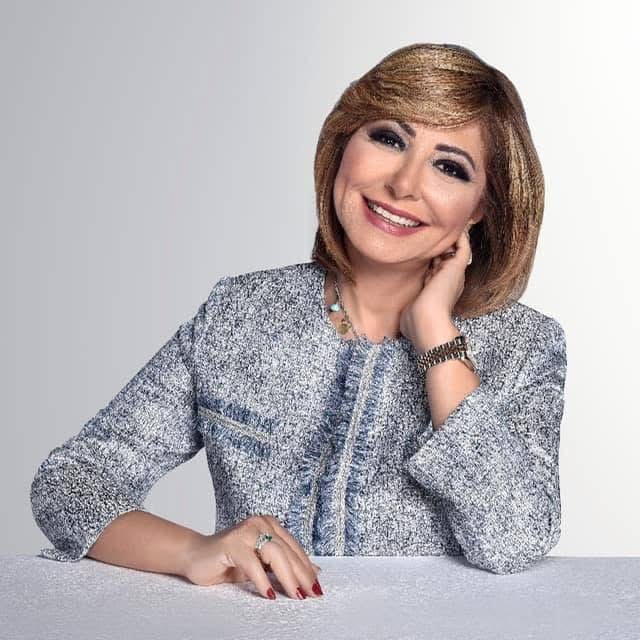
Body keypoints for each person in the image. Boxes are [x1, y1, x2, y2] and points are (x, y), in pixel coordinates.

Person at [30, 42, 567, 601]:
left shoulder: (524, 345)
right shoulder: (240, 314)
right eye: (389, 139)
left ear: (481, 207)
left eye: (449, 167)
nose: (404, 184)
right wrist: (193, 552)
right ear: (343, 143)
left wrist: (435, 332)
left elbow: (514, 539)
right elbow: (71, 483)